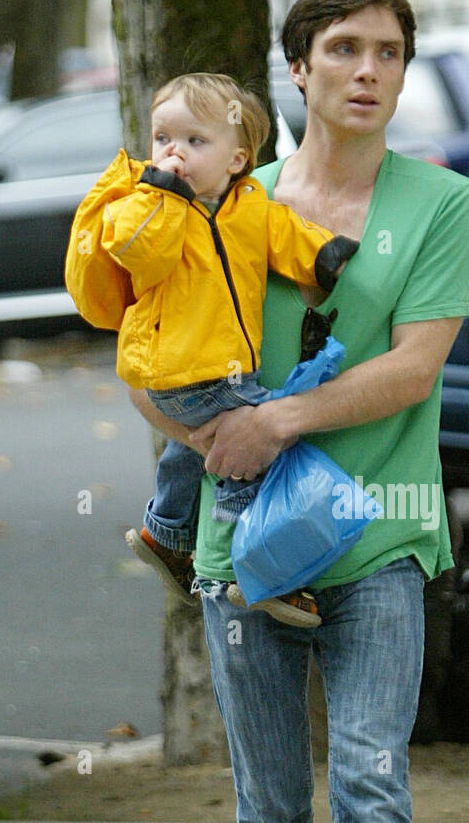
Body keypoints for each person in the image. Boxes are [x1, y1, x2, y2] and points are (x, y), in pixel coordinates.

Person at [127, 0, 469, 823]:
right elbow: (150, 351)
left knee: (374, 784)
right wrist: (202, 436)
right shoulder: (224, 192)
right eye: (342, 49)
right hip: (246, 554)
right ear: (297, 68)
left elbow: (411, 369)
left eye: (386, 51)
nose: (366, 70)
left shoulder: (440, 205)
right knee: (272, 806)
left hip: (382, 538)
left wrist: (276, 417)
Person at [92, 72, 358, 627]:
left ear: (238, 159)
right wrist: (163, 195)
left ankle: (166, 532)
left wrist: (323, 255)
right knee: (260, 448)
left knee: (197, 450)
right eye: (163, 138)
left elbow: (283, 232)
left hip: (215, 370)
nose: (174, 152)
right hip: (183, 369)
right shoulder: (145, 206)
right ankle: (258, 573)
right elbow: (141, 253)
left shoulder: (247, 207)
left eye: (194, 141)